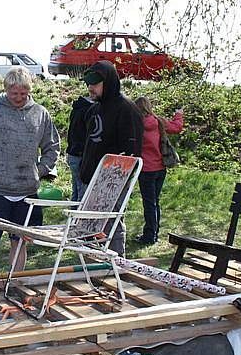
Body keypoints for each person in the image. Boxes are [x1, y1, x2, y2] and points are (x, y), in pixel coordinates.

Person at [0, 66, 61, 275]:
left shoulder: (40, 113)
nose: (18, 97)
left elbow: (52, 146)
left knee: (20, 242)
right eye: (14, 93)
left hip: (27, 190)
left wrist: (41, 169)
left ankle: (15, 283)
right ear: (6, 89)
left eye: (23, 93)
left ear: (29, 90)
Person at [79, 60, 144, 258]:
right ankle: (93, 264)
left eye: (95, 83)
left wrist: (115, 180)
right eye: (88, 83)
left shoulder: (127, 110)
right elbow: (89, 144)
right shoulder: (93, 110)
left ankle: (116, 263)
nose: (91, 88)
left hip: (115, 179)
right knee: (89, 224)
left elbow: (131, 151)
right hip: (91, 178)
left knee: (112, 221)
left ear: (108, 83)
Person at [134, 96, 184, 245]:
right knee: (155, 201)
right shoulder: (158, 121)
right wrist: (179, 114)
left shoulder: (136, 125)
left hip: (145, 169)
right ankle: (154, 232)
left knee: (149, 203)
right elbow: (177, 127)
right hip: (160, 168)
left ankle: (149, 235)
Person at [66, 94, 93, 201]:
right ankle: (78, 217)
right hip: (81, 154)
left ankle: (72, 215)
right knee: (83, 192)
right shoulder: (89, 111)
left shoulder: (76, 108)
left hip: (72, 152)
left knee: (76, 191)